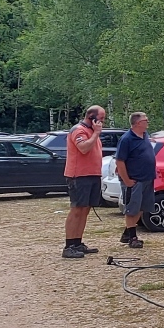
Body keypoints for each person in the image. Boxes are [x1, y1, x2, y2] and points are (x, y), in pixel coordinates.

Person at [62, 105, 105, 259]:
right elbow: (84, 148)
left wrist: (95, 133)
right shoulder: (78, 130)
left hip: (92, 175)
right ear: (92, 118)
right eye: (101, 119)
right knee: (77, 209)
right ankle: (69, 246)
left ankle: (77, 242)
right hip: (79, 176)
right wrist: (96, 134)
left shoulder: (93, 131)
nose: (102, 123)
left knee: (85, 210)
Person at [115, 112, 156, 249]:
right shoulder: (127, 139)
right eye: (146, 120)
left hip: (147, 178)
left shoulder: (145, 135)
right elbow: (120, 161)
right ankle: (133, 237)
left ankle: (128, 232)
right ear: (138, 123)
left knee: (142, 207)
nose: (148, 122)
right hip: (134, 180)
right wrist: (126, 180)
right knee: (132, 208)